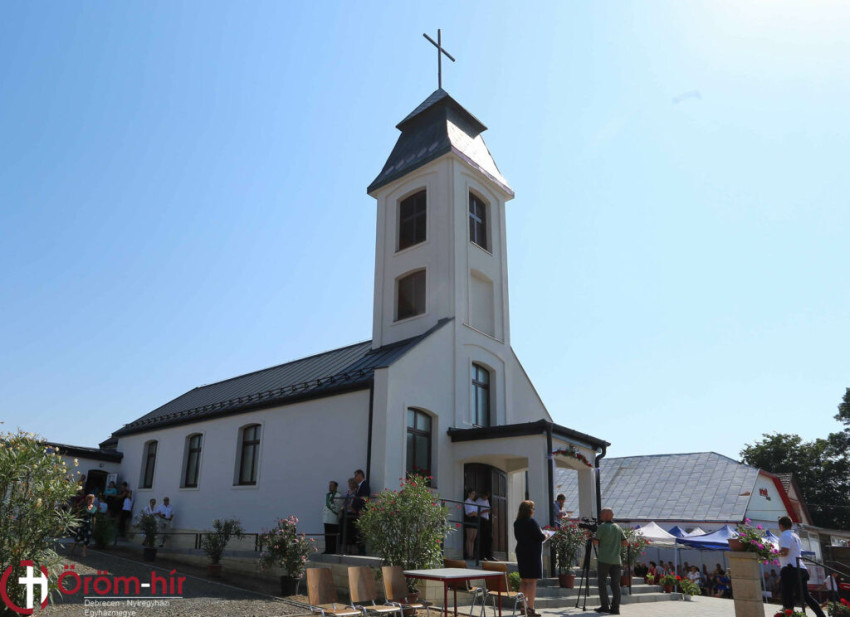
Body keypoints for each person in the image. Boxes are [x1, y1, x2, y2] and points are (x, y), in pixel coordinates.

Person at [778, 516, 826, 617]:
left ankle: (788, 614)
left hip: (790, 568)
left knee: (787, 595)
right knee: (805, 596)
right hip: (800, 568)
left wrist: (773, 553)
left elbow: (785, 552)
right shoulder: (795, 535)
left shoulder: (785, 535)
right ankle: (821, 615)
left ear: (781, 526)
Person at [592, 507, 627, 615]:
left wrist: (591, 536)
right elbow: (625, 542)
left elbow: (595, 542)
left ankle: (605, 606)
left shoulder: (602, 527)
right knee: (615, 584)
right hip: (616, 560)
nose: (600, 516)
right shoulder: (618, 527)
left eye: (601, 514)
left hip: (604, 559)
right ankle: (615, 608)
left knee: (602, 582)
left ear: (606, 515)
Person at [514, 500, 544, 616]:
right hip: (532, 553)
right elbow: (540, 536)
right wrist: (546, 535)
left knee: (524, 580)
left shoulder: (517, 523)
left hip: (521, 552)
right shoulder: (531, 522)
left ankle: (523, 607)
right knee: (532, 581)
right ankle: (530, 608)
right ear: (529, 510)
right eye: (533, 508)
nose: (533, 511)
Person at [353, 469, 370, 555]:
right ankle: (359, 550)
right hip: (357, 510)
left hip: (362, 511)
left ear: (360, 475)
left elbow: (364, 498)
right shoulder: (359, 486)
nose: (355, 478)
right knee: (358, 531)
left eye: (356, 476)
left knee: (361, 531)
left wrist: (362, 509)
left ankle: (362, 551)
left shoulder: (364, 485)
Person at [322, 480, 341, 554]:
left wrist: (333, 504)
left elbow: (338, 507)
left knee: (333, 536)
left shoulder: (338, 495)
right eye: (329, 485)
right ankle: (327, 549)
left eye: (332, 485)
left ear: (336, 487)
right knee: (327, 535)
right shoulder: (327, 495)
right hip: (326, 518)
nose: (330, 487)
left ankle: (333, 550)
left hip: (333, 518)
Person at [475, 491, 494, 561]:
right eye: (485, 496)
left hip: (486, 520)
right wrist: (484, 511)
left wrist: (488, 511)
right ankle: (481, 555)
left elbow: (488, 511)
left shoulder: (487, 501)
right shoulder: (478, 501)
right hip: (481, 519)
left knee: (489, 538)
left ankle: (489, 555)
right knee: (482, 538)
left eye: (487, 497)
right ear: (482, 495)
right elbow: (476, 513)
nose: (486, 498)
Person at [342, 477, 358, 554]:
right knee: (346, 532)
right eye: (349, 483)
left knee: (352, 532)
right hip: (346, 513)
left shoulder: (356, 493)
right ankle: (346, 549)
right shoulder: (347, 493)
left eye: (352, 483)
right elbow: (344, 503)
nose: (350, 485)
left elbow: (353, 503)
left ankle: (352, 550)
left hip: (352, 514)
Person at [463, 489, 479, 560]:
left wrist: (474, 513)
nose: (473, 495)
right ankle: (468, 554)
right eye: (472, 493)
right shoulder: (467, 501)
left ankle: (471, 554)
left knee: (473, 538)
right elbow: (468, 513)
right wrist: (473, 513)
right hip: (469, 519)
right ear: (469, 494)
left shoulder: (474, 503)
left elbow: (477, 512)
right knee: (469, 538)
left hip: (475, 519)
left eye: (474, 494)